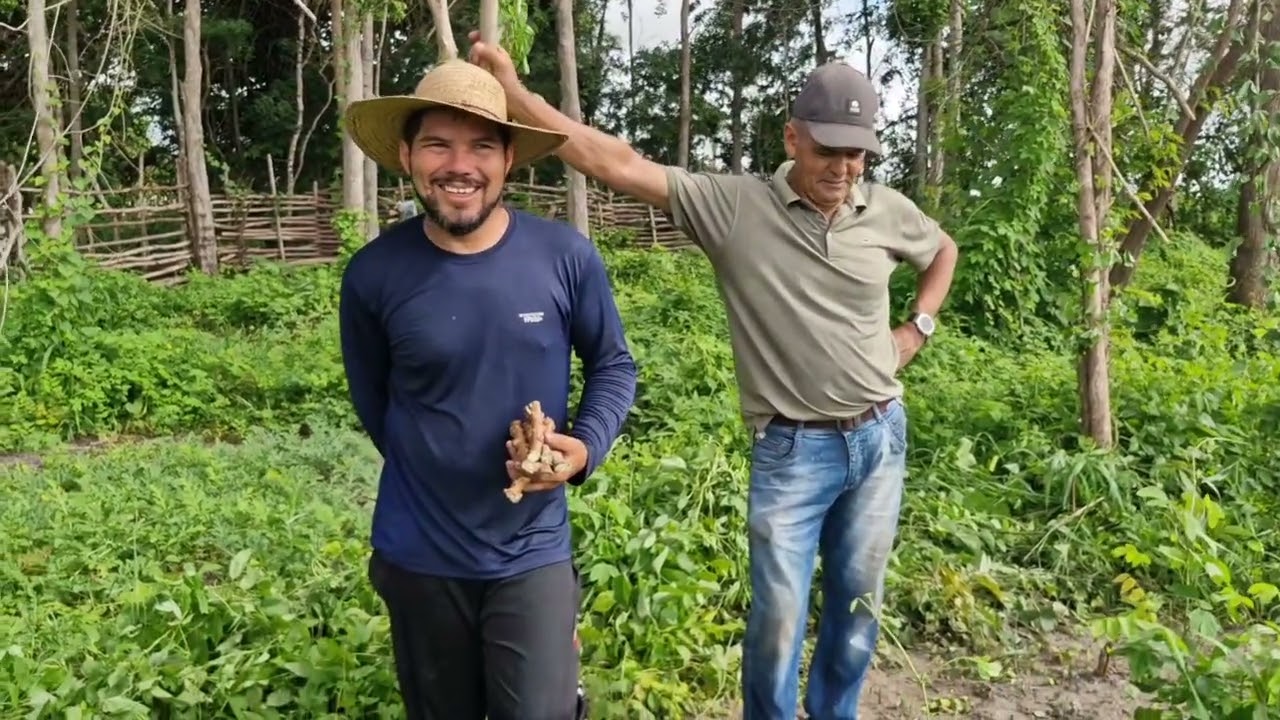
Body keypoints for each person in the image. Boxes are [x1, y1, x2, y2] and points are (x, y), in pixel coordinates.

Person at [467, 34, 959, 720]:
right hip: (793, 452)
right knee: (779, 621)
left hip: (881, 441)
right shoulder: (733, 208)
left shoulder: (886, 209)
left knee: (856, 611)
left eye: (856, 152)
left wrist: (918, 329)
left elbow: (942, 251)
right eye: (827, 149)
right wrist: (521, 99)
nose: (844, 167)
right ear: (792, 137)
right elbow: (616, 163)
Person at [337, 58, 637, 720]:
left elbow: (614, 364)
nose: (459, 165)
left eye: (480, 145)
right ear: (409, 155)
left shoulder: (563, 258)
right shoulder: (374, 275)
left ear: (508, 159)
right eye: (438, 144)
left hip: (530, 548)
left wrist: (581, 450)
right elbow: (375, 403)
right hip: (420, 553)